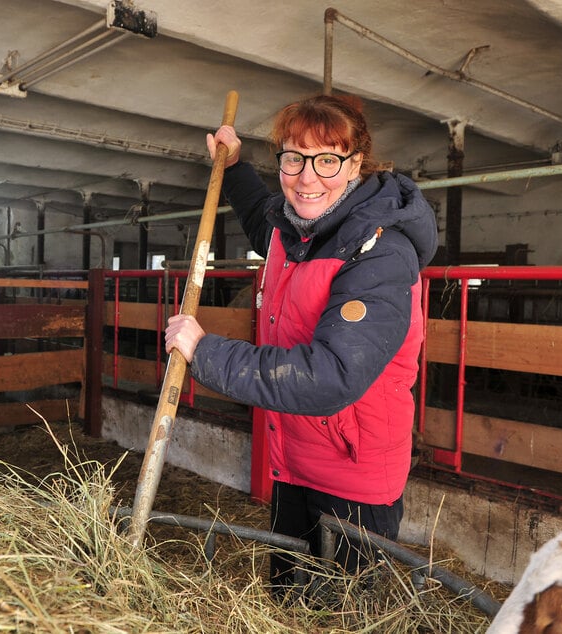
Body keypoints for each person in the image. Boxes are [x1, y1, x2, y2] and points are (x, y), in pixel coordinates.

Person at [164, 93, 438, 597]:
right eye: (293, 158)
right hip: (293, 457)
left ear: (357, 164)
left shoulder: (382, 253)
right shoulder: (295, 228)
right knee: (288, 600)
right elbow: (256, 214)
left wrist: (206, 353)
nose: (307, 177)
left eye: (327, 159)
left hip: (353, 474)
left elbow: (331, 376)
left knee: (341, 613)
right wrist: (236, 163)